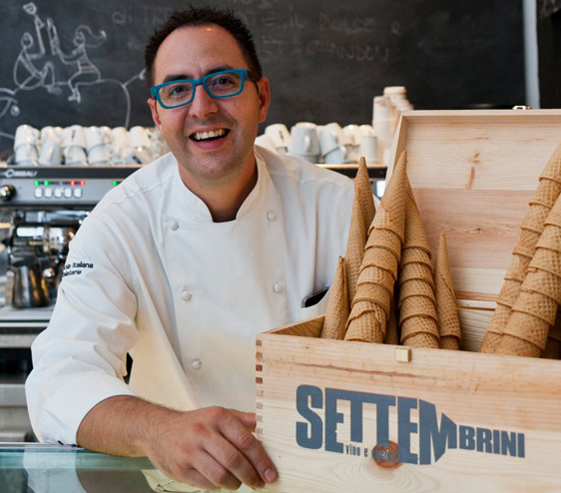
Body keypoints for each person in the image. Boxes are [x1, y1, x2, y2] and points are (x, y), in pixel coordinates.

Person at [25, 6, 355, 491]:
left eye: (223, 81)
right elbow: (60, 377)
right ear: (158, 114)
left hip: (327, 481)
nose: (202, 108)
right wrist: (157, 429)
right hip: (181, 487)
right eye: (178, 90)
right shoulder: (120, 223)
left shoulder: (339, 207)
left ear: (261, 98)